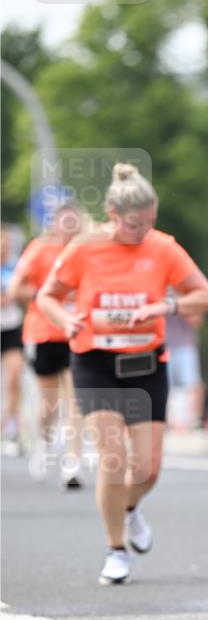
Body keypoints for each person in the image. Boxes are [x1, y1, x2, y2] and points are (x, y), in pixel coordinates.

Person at [38, 163, 208, 585]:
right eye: (136, 225)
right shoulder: (84, 248)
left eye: (152, 222)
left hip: (146, 363)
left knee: (149, 469)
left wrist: (165, 306)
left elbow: (204, 296)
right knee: (113, 459)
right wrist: (65, 322)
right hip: (95, 362)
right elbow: (48, 296)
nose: (144, 232)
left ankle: (130, 508)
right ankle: (115, 549)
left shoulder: (162, 248)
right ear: (112, 217)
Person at [9, 202, 87, 486]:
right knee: (50, 404)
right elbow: (16, 288)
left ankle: (72, 463)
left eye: (74, 222)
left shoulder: (85, 251)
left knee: (76, 400)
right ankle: (43, 438)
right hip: (43, 333)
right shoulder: (40, 250)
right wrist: (48, 294)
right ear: (55, 224)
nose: (69, 228)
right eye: (64, 222)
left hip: (76, 334)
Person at [1, 226, 24, 455]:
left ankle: (12, 427)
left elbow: (30, 291)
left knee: (14, 377)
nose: (3, 251)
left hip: (11, 328)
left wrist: (15, 294)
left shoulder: (16, 269)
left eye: (6, 247)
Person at [166, 310, 206, 429]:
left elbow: (196, 321)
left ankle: (195, 420)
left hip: (185, 346)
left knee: (193, 383)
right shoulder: (158, 294)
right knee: (163, 384)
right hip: (164, 346)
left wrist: (176, 307)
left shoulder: (187, 293)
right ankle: (166, 420)